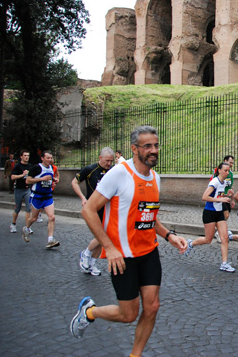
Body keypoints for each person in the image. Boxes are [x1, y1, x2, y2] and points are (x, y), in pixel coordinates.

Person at [69, 125, 188, 357]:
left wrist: (169, 235)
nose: (153, 150)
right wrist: (109, 248)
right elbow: (89, 211)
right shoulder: (119, 173)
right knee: (128, 314)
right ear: (134, 149)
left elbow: (149, 217)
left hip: (149, 252)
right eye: (147, 146)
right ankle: (89, 312)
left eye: (156, 145)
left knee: (152, 307)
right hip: (123, 256)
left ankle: (135, 355)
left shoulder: (156, 178)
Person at [71, 147, 115, 276]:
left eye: (111, 161)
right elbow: (74, 182)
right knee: (102, 235)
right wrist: (83, 198)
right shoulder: (90, 169)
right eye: (107, 160)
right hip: (94, 209)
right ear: (100, 158)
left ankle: (92, 263)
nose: (109, 164)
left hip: (108, 208)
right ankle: (86, 253)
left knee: (104, 237)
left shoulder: (113, 171)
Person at [185, 162, 235, 272]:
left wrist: (227, 195)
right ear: (219, 171)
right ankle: (190, 243)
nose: (227, 172)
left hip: (219, 212)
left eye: (228, 170)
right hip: (209, 212)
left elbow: (218, 195)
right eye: (225, 170)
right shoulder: (215, 182)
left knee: (225, 238)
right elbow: (204, 197)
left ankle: (224, 264)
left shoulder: (223, 182)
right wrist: (220, 200)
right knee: (208, 239)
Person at [22, 150, 59, 248]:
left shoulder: (52, 168)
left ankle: (50, 240)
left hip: (47, 196)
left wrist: (54, 181)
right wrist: (41, 179)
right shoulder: (37, 168)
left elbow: (49, 178)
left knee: (52, 217)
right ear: (42, 158)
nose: (50, 160)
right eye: (48, 158)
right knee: (34, 218)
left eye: (51, 158)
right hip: (37, 197)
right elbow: (28, 180)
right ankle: (26, 228)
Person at [9, 150, 32, 233]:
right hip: (19, 189)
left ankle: (27, 226)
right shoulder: (18, 166)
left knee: (29, 208)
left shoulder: (30, 166)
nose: (27, 157)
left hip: (27, 189)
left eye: (28, 155)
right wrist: (22, 175)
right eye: (25, 155)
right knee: (17, 208)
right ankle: (13, 224)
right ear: (21, 156)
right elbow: (12, 177)